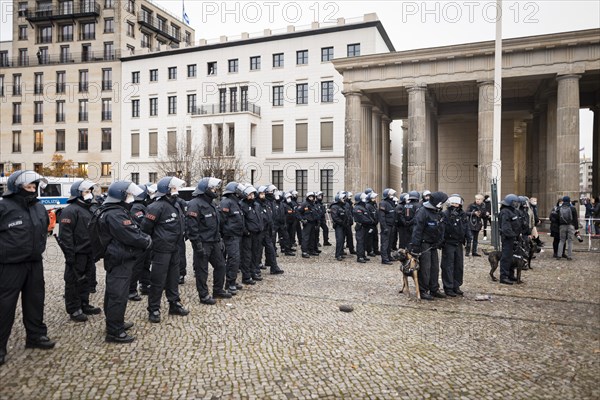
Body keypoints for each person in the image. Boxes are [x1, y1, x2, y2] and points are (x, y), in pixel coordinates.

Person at [0, 171, 55, 365]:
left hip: (34, 263)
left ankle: (35, 336)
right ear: (17, 187)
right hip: (10, 266)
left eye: (34, 186)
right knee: (5, 306)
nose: (33, 190)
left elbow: (44, 229)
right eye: (29, 186)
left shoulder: (39, 207)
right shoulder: (3, 206)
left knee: (35, 301)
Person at [98, 181, 152, 343]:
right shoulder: (115, 214)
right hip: (120, 258)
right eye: (128, 194)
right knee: (118, 295)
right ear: (120, 195)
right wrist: (147, 240)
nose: (131, 197)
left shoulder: (115, 211)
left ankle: (115, 323)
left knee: (113, 293)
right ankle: (114, 332)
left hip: (118, 257)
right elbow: (132, 235)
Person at [142, 177, 189, 323]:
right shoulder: (156, 207)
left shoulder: (175, 204)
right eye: (174, 188)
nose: (176, 190)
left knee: (173, 278)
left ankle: (174, 304)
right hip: (161, 249)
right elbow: (145, 228)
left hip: (175, 248)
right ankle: (154, 309)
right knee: (158, 280)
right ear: (166, 190)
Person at [58, 179, 102, 322]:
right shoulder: (69, 210)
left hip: (88, 252)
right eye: (86, 192)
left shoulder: (89, 208)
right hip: (76, 253)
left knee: (86, 280)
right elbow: (65, 235)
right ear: (78, 193)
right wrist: (70, 255)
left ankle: (84, 303)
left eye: (90, 192)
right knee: (73, 281)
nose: (89, 195)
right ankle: (74, 308)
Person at [186, 177, 234, 305]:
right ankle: (204, 295)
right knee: (202, 271)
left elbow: (216, 224)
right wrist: (197, 245)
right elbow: (192, 227)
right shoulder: (194, 204)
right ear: (205, 189)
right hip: (203, 243)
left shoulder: (212, 203)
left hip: (214, 242)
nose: (214, 190)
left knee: (221, 266)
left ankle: (218, 290)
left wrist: (219, 239)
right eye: (212, 188)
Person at [409, 191, 448, 300]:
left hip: (433, 244)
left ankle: (434, 288)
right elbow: (417, 230)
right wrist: (415, 246)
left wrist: (440, 240)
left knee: (435, 267)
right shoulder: (423, 212)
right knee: (426, 268)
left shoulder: (437, 212)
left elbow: (440, 227)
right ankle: (423, 290)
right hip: (424, 244)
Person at [440, 195, 470, 297]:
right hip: (449, 243)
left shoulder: (463, 214)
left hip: (459, 242)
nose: (455, 205)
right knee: (448, 266)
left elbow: (466, 226)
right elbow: (443, 228)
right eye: (453, 203)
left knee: (458, 265)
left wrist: (468, 238)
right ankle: (448, 287)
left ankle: (456, 285)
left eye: (457, 203)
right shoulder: (445, 214)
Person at [219, 181, 246, 295]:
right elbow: (221, 220)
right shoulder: (226, 202)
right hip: (230, 236)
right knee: (233, 259)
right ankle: (230, 283)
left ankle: (232, 281)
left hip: (237, 235)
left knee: (236, 259)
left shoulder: (236, 202)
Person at [498, 194, 522, 285]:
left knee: (513, 257)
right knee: (506, 257)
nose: (516, 204)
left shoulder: (514, 211)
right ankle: (503, 276)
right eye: (515, 202)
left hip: (514, 237)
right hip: (508, 238)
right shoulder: (505, 212)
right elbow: (505, 227)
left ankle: (511, 275)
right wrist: (512, 236)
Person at [352, 192, 374, 263]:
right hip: (361, 227)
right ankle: (360, 257)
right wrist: (370, 221)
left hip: (365, 227)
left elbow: (368, 216)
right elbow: (362, 218)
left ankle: (363, 255)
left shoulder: (363, 207)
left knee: (364, 241)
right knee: (360, 242)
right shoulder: (357, 208)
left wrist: (371, 221)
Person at [378, 188, 397, 265]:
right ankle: (384, 258)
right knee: (385, 242)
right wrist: (384, 227)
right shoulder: (383, 203)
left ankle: (389, 256)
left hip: (391, 225)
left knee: (390, 242)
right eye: (390, 194)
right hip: (386, 226)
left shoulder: (390, 203)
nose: (392, 196)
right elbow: (381, 217)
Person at [298, 192, 319, 258]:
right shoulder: (304, 204)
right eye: (310, 197)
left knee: (312, 237)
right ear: (307, 197)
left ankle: (311, 250)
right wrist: (302, 219)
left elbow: (316, 213)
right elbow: (298, 212)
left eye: (312, 197)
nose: (311, 198)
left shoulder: (313, 204)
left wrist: (317, 222)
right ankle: (304, 251)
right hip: (307, 223)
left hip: (313, 222)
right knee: (305, 237)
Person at [557, 195, 578, 261]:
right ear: (569, 201)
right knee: (570, 241)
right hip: (571, 226)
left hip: (562, 226)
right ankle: (569, 256)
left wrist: (559, 225)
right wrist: (576, 228)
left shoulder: (560, 208)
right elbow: (575, 219)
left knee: (561, 240)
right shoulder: (573, 208)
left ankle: (559, 255)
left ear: (563, 201)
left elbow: (557, 218)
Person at [329, 191, 348, 261]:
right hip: (339, 226)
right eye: (343, 199)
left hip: (343, 225)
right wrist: (342, 222)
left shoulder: (342, 206)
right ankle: (338, 255)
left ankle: (341, 253)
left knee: (342, 240)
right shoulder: (334, 207)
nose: (344, 200)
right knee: (339, 240)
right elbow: (335, 217)